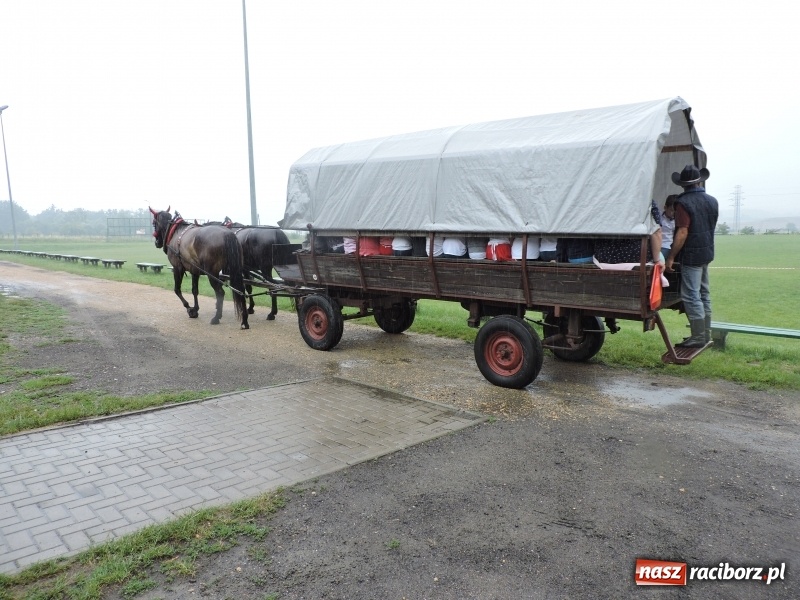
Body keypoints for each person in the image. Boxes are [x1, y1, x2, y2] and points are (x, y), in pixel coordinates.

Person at [665, 164, 719, 348]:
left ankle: (698, 337)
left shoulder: (683, 203)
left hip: (691, 255)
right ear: (699, 182)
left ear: (682, 185)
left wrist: (671, 257)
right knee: (704, 294)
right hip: (707, 252)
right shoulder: (712, 200)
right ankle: (705, 333)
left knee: (691, 296)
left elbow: (682, 232)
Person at [593, 200, 664, 265]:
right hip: (637, 257)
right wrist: (657, 260)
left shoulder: (603, 199)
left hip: (604, 257)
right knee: (661, 260)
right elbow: (656, 231)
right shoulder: (646, 199)